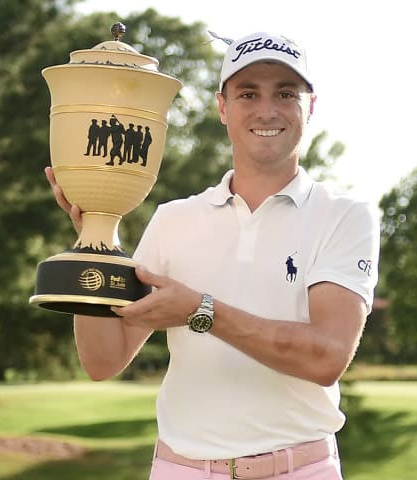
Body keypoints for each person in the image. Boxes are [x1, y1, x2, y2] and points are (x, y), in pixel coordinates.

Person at [46, 31, 380, 480]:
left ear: (311, 105)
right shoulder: (173, 219)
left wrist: (200, 310)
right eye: (247, 93)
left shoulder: (345, 217)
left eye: (285, 93)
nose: (267, 110)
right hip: (181, 469)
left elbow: (326, 357)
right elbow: (104, 360)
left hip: (299, 470)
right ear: (222, 107)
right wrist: (96, 237)